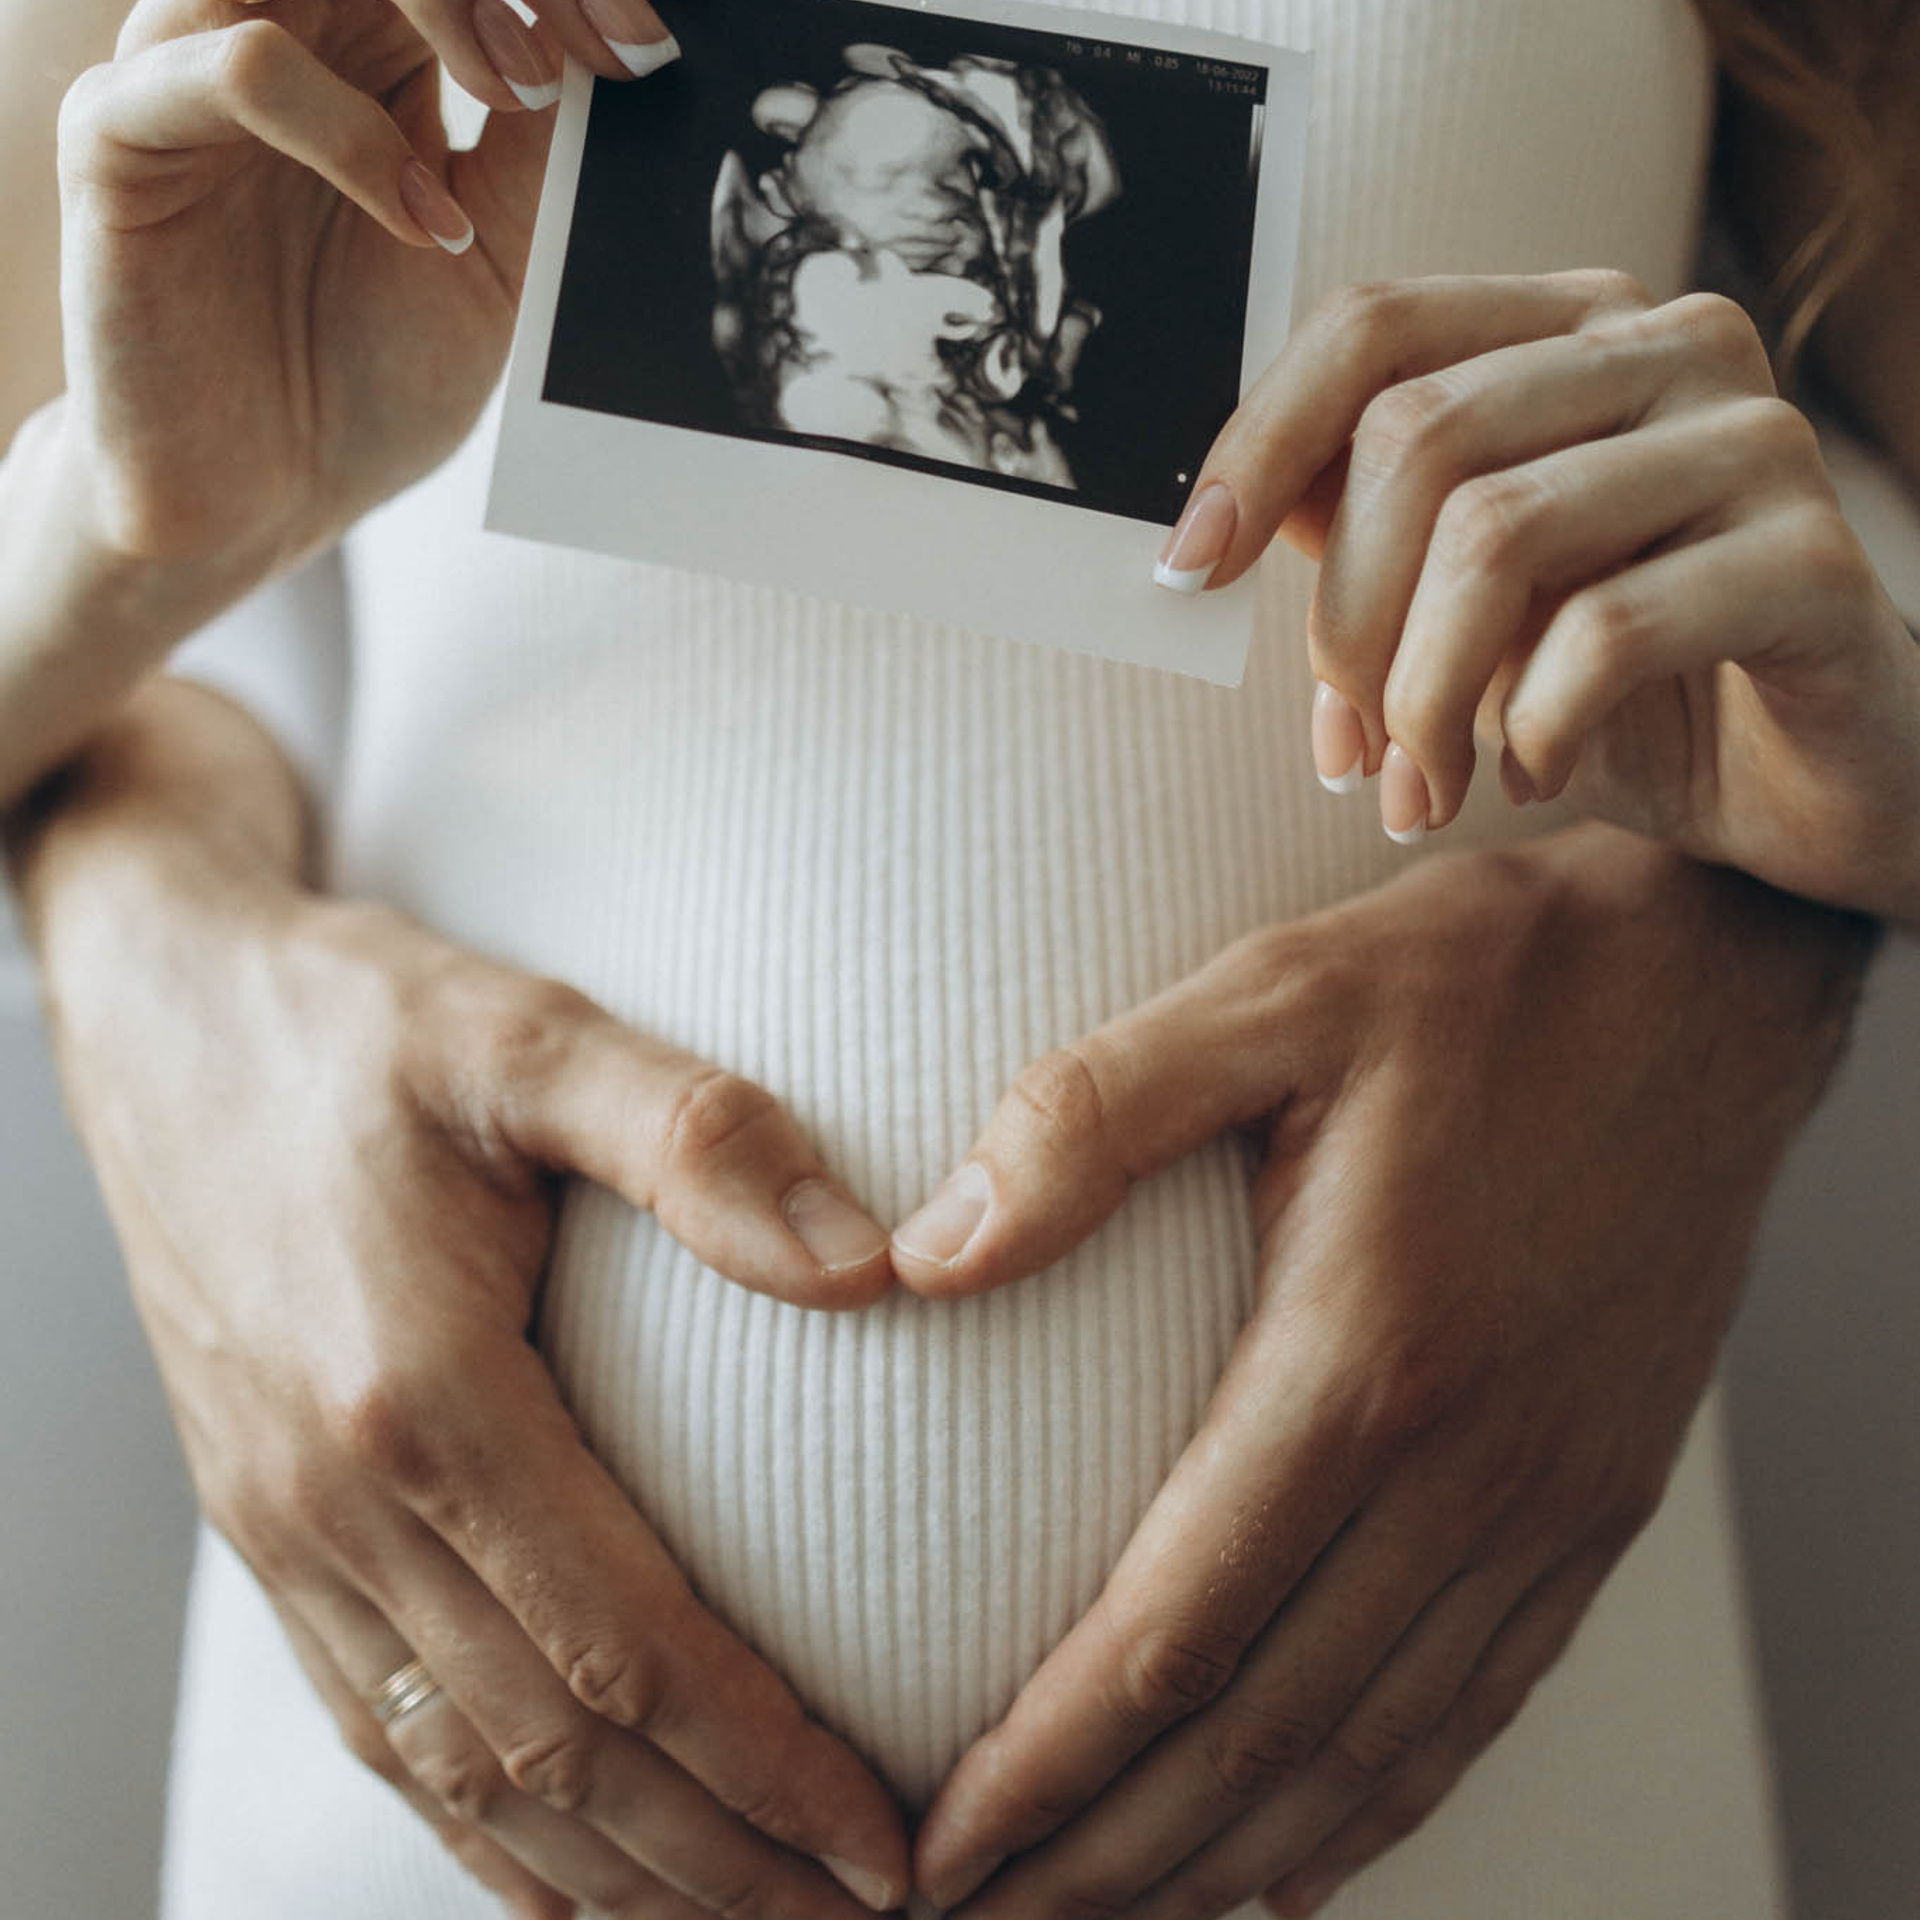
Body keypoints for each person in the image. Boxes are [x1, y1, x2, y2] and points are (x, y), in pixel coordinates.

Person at [2, 1, 1915, 1917]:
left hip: (1481, 1815)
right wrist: (131, 574)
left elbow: (1844, 639)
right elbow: (104, 610)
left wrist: (1790, 902)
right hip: (445, 1821)